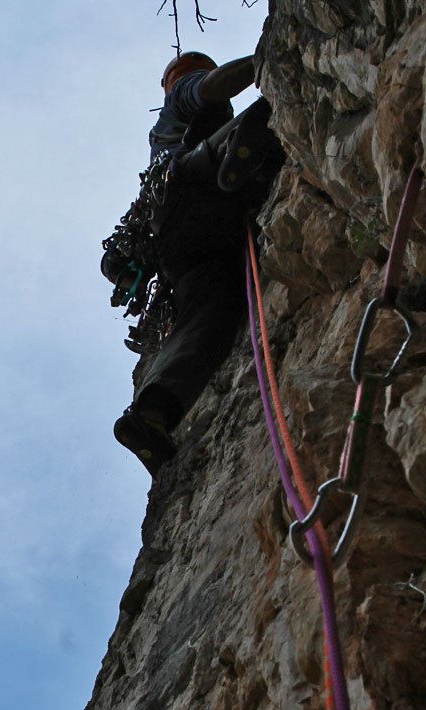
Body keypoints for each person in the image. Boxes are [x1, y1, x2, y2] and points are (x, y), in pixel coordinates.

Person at [109, 51, 282, 476]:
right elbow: (211, 88)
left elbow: (122, 260)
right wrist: (269, 54)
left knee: (213, 314)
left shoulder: (154, 159)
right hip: (197, 188)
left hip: (181, 251)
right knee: (266, 117)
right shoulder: (179, 103)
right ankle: (234, 164)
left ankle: (152, 414)